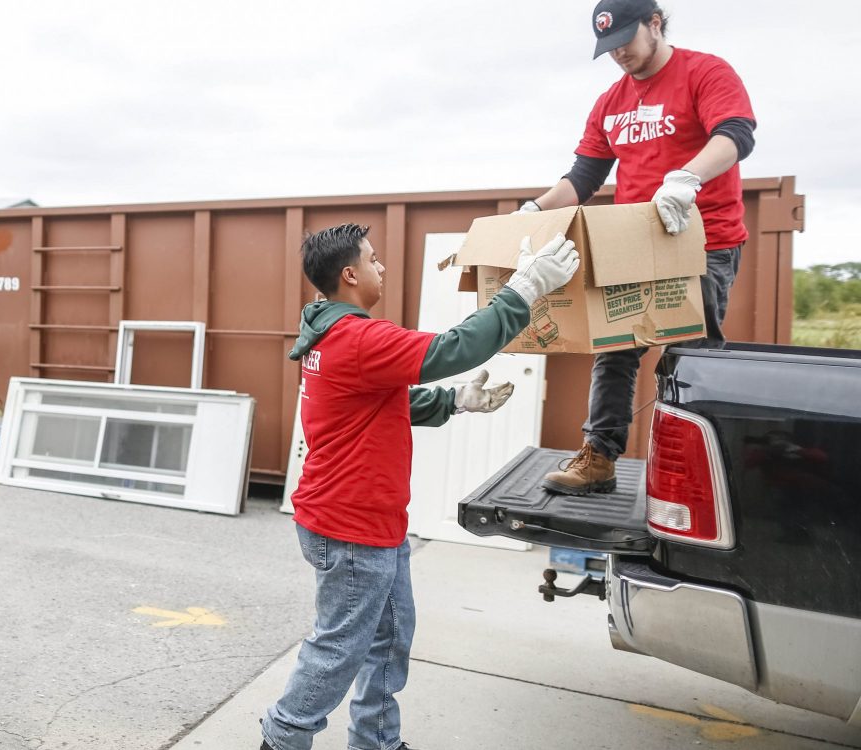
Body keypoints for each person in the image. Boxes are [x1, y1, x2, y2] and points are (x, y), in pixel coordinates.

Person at [260, 223, 578, 750]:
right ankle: (283, 737)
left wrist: (456, 402)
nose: (380, 267)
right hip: (352, 526)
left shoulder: (334, 336)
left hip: (371, 522)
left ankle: (376, 741)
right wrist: (524, 288)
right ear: (349, 273)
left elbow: (381, 405)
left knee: (387, 642)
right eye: (373, 258)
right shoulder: (358, 336)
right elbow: (456, 348)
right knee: (340, 648)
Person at [516, 0, 757, 495]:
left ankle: (696, 474)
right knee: (615, 351)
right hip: (634, 244)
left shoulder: (705, 72)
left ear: (655, 22)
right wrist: (535, 210)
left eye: (626, 39)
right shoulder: (610, 101)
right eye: (609, 47)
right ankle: (599, 458)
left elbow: (736, 134)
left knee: (690, 358)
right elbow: (584, 176)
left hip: (702, 241)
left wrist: (688, 178)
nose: (618, 53)